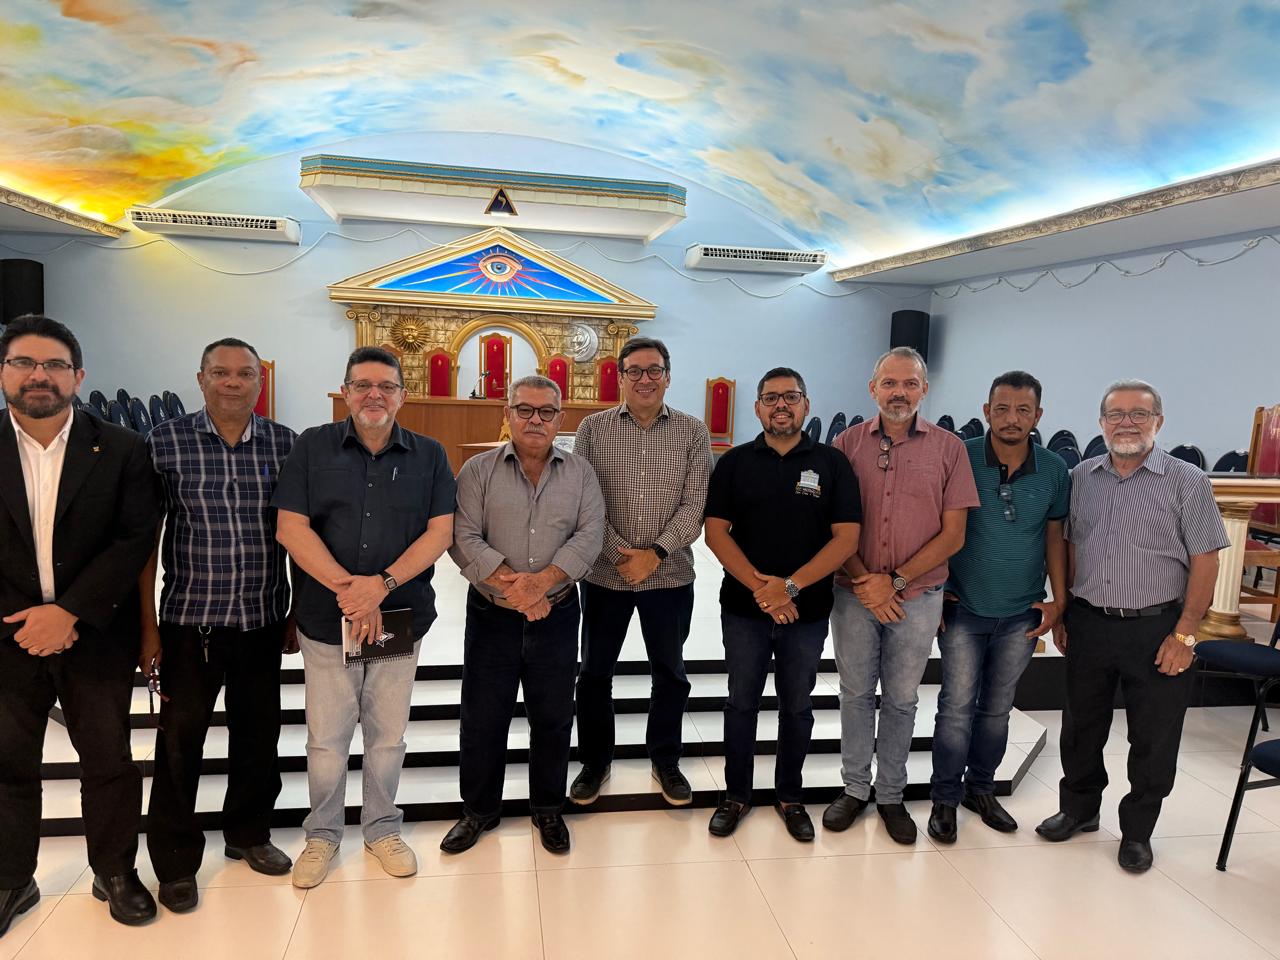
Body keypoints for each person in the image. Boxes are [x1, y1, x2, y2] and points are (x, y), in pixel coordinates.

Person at [273, 346, 455, 889]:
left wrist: (381, 587)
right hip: (329, 618)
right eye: (363, 385)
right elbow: (291, 527)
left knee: (386, 735)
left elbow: (440, 532)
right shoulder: (312, 446)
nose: (374, 394)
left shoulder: (429, 454)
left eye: (386, 386)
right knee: (327, 739)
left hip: (397, 615)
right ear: (346, 391)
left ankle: (381, 828)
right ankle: (323, 834)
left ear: (402, 395)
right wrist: (351, 592)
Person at [0, 315, 160, 932]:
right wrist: (28, 620)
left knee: (107, 759)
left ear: (78, 375)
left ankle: (114, 871)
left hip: (94, 632)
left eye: (54, 365)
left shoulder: (120, 447)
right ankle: (12, 879)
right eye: (24, 362)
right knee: (8, 762)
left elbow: (134, 538)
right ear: (4, 373)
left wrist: (68, 611)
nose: (39, 375)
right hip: (7, 634)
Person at [1036, 379, 1227, 873]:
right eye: (1116, 414)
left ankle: (1138, 831)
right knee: (1081, 727)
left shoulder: (1187, 481)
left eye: (1139, 414)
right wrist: (1065, 610)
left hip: (1158, 627)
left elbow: (1206, 561)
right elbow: (1070, 546)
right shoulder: (1081, 477)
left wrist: (1186, 633)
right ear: (1101, 423)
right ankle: (1079, 810)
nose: (1127, 423)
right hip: (1090, 622)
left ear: (1158, 422)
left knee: (1153, 736)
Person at [140, 338, 298, 913]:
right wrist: (148, 629)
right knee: (179, 745)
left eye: (245, 374)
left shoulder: (285, 444)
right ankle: (175, 862)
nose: (233, 382)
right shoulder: (164, 443)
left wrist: (296, 611)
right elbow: (144, 541)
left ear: (260, 381)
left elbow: (301, 533)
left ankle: (249, 834)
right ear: (201, 378)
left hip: (261, 619)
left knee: (259, 736)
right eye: (221, 373)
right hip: (190, 622)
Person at [441, 376, 605, 855]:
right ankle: (479, 811)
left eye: (546, 411)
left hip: (557, 613)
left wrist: (542, 583)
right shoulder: (477, 470)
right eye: (525, 410)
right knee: (482, 717)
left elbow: (590, 535)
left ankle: (548, 808)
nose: (536, 419)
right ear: (507, 414)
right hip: (492, 614)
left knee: (553, 716)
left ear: (561, 418)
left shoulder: (581, 473)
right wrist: (517, 588)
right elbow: (463, 536)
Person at [825, 346, 979, 844]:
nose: (899, 392)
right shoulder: (846, 444)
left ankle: (890, 795)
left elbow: (954, 534)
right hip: (853, 594)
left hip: (918, 597)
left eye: (910, 383)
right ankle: (854, 789)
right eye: (889, 383)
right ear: (873, 388)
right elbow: (831, 524)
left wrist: (892, 581)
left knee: (902, 698)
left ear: (924, 390)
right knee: (854, 694)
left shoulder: (950, 449)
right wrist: (867, 581)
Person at [703, 367, 860, 840]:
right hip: (744, 608)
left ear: (806, 405)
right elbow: (716, 534)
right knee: (741, 703)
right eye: (771, 398)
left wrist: (789, 587)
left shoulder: (832, 463)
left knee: (797, 706)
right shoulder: (734, 462)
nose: (781, 406)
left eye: (791, 397)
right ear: (757, 408)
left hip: (806, 611)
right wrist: (763, 590)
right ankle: (736, 795)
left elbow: (846, 539)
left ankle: (790, 797)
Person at [927, 371, 1070, 844]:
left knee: (997, 708)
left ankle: (981, 790)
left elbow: (1055, 537)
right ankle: (945, 798)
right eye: (1002, 409)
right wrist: (935, 588)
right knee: (955, 707)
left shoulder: (1054, 470)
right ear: (987, 411)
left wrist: (1059, 601)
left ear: (1038, 415)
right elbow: (936, 527)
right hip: (963, 606)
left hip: (1021, 612)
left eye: (1023, 410)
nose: (1012, 418)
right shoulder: (959, 456)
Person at [570, 337, 711, 807]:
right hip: (604, 576)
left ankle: (665, 760)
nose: (645, 379)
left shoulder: (693, 431)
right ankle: (595, 762)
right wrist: (619, 553)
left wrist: (656, 553)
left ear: (668, 376)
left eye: (654, 370)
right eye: (635, 370)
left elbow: (696, 504)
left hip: (670, 577)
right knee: (594, 673)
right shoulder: (593, 428)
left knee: (670, 672)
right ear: (621, 377)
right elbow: (584, 503)